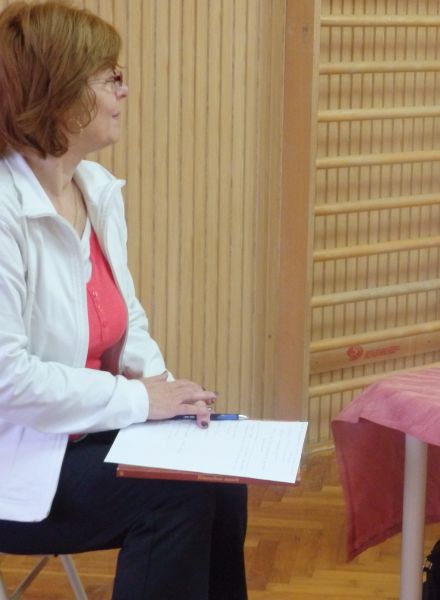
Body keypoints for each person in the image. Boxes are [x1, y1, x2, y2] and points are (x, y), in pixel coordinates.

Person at [0, 2, 247, 598]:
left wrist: (170, 393)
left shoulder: (95, 190)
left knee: (222, 471)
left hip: (82, 431)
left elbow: (125, 319)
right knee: (176, 494)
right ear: (59, 92)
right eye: (110, 76)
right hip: (18, 457)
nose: (125, 90)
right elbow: (8, 380)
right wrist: (140, 400)